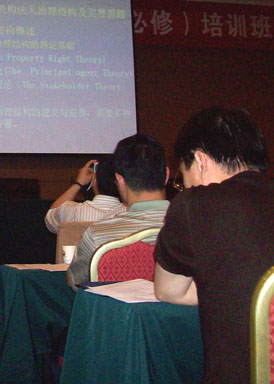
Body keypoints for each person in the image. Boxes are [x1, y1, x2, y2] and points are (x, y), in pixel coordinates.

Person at [153, 107, 273, 384]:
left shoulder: (195, 205)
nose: (186, 188)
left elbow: (168, 291)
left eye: (184, 179)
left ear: (200, 161)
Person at [66, 134, 170, 288]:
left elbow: (75, 282)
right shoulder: (198, 228)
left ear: (120, 180)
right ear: (166, 175)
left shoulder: (97, 235)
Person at [44, 156, 126, 234]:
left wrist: (78, 183)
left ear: (94, 179)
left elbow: (50, 218)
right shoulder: (129, 214)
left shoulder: (72, 211)